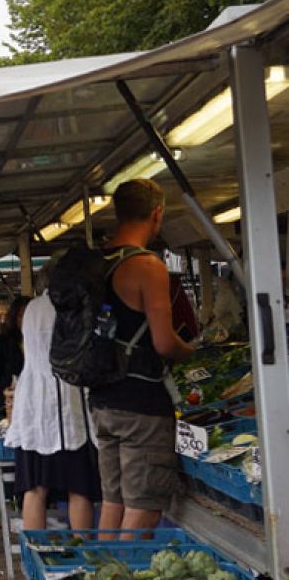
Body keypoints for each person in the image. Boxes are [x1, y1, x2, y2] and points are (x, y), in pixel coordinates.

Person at [90, 179, 194, 536]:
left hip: (103, 400)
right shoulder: (147, 266)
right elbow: (164, 343)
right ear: (157, 214)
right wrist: (191, 351)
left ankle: (100, 574)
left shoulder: (98, 262)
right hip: (142, 406)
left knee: (113, 502)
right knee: (143, 508)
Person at [4, 292, 100, 531]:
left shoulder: (33, 308)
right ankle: (84, 555)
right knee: (79, 487)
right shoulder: (74, 305)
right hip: (68, 404)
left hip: (33, 407)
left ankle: (36, 552)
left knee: (35, 488)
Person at [0, 297, 27, 414]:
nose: (25, 320)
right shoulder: (1, 342)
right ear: (13, 317)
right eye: (21, 316)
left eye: (29, 315)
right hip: (7, 400)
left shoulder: (41, 342)